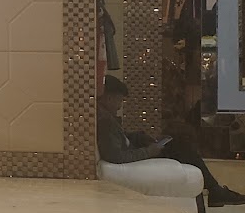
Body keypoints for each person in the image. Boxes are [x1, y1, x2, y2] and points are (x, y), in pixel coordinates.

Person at [98, 76, 245, 205]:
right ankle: (216, 191)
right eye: (119, 100)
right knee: (183, 148)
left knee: (181, 145)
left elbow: (120, 139)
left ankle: (215, 191)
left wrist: (139, 136)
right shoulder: (105, 121)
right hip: (137, 157)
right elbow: (116, 156)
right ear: (109, 98)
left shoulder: (106, 116)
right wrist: (149, 151)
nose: (120, 106)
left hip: (137, 149)